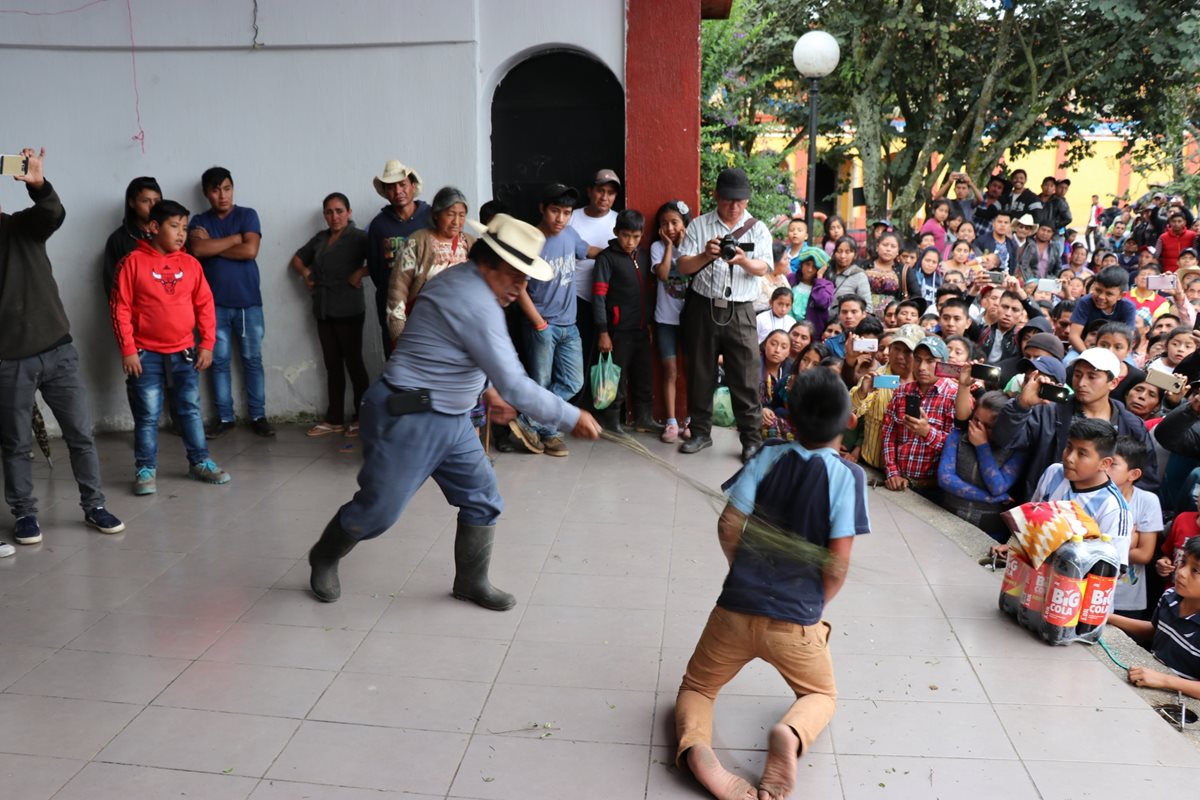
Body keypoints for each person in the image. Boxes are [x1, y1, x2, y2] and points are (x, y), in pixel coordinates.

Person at [306, 214, 602, 608]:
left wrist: (488, 390)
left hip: (451, 417)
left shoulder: (466, 280)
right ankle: (323, 556)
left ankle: (470, 582)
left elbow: (460, 354)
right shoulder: (474, 301)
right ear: (489, 263)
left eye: (525, 277)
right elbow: (516, 382)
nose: (522, 286)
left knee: (482, 497)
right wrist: (571, 416)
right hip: (409, 416)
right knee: (378, 511)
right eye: (516, 275)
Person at [674, 367, 868, 800]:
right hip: (796, 623)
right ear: (849, 423)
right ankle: (790, 734)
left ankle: (698, 751)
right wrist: (815, 603)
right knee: (821, 693)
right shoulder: (847, 478)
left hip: (734, 609)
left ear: (789, 420)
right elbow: (836, 565)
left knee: (698, 688)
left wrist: (739, 568)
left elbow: (728, 524)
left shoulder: (767, 455)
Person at [0, 148, 124, 546]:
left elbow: (52, 213)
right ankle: (24, 514)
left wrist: (37, 183)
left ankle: (94, 506)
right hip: (7, 362)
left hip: (57, 351)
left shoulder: (21, 227)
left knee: (79, 436)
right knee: (15, 444)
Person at [110, 199, 229, 493]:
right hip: (145, 355)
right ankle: (146, 469)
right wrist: (127, 349)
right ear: (153, 227)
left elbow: (205, 305)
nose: (181, 234)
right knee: (147, 414)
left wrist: (207, 344)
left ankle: (199, 462)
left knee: (189, 409)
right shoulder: (132, 262)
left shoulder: (190, 264)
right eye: (174, 226)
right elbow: (120, 307)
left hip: (185, 351)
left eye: (185, 228)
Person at [677, 168, 773, 461]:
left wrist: (744, 260)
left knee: (744, 376)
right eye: (728, 200)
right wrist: (706, 255)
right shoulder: (699, 225)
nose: (734, 206)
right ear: (716, 197)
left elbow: (765, 267)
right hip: (703, 306)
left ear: (747, 200)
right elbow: (682, 267)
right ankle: (701, 433)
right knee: (700, 373)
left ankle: (751, 440)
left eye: (740, 200)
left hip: (741, 310)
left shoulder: (758, 229)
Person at [993, 347, 1157, 502]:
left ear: (1113, 383)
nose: (1081, 383)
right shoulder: (1049, 412)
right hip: (1046, 506)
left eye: (1092, 376)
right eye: (1077, 374)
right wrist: (1021, 405)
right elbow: (1004, 439)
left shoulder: (1132, 426)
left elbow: (1145, 477)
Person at [510, 183, 600, 456]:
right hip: (543, 324)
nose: (560, 219)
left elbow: (588, 251)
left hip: (569, 324)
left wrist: (619, 248)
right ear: (542, 209)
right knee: (541, 383)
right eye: (555, 211)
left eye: (567, 212)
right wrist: (539, 322)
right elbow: (518, 288)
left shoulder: (570, 234)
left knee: (574, 381)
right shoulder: (530, 242)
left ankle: (529, 422)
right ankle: (549, 434)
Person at [187, 166, 274, 438]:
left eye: (227, 188)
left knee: (252, 360)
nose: (222, 195)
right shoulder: (199, 221)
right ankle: (224, 418)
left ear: (232, 188)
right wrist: (235, 238)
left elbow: (250, 250)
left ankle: (258, 416)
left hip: (249, 303)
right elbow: (198, 249)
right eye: (215, 190)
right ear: (206, 193)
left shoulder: (248, 215)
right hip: (213, 306)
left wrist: (216, 245)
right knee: (219, 361)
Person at [289, 192, 371, 437]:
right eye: (329, 212)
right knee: (332, 365)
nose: (334, 216)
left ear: (349, 212)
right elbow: (296, 259)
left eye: (339, 211)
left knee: (354, 364)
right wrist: (305, 273)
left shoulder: (359, 237)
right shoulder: (321, 238)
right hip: (324, 309)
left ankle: (362, 417)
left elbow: (381, 259)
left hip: (349, 308)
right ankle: (334, 418)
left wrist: (361, 272)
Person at [593, 208, 661, 435]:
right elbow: (599, 296)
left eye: (636, 237)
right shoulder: (606, 259)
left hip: (641, 328)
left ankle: (644, 417)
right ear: (616, 232)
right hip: (617, 330)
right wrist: (603, 331)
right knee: (617, 377)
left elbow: (647, 292)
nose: (630, 241)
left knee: (644, 374)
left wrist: (649, 322)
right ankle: (612, 420)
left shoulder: (642, 256)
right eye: (625, 235)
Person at [1107, 536, 1200, 700]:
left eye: (1196, 570)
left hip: (1178, 704)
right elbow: (1156, 630)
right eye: (1183, 562)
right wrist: (1107, 617)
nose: (1181, 572)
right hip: (1150, 685)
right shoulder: (1170, 597)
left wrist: (1163, 680)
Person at [386, 186, 474, 344]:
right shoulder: (417, 242)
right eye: (450, 214)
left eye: (462, 215)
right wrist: (398, 328)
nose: (457, 221)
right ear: (436, 215)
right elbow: (398, 288)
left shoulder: (470, 243)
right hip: (425, 327)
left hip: (463, 327)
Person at [938, 387, 1024, 541]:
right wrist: (989, 498)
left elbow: (997, 487)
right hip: (947, 522)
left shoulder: (1015, 449)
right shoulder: (957, 437)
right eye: (976, 420)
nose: (978, 429)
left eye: (988, 426)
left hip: (989, 534)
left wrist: (982, 446)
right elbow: (945, 479)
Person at [365, 160, 431, 354]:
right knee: (397, 357)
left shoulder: (430, 217)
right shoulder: (379, 225)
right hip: (392, 306)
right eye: (391, 187)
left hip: (427, 302)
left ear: (412, 186)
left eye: (402, 184)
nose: (398, 191)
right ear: (385, 192)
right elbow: (376, 268)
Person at [882, 336, 958, 493]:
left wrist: (927, 432)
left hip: (932, 489)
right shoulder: (902, 391)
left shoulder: (954, 396)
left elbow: (957, 448)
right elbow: (889, 434)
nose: (922, 367)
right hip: (898, 481)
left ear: (943, 364)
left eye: (930, 361)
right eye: (918, 359)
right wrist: (892, 473)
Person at [570, 169, 622, 387]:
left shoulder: (619, 221)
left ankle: (598, 409)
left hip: (607, 301)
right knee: (575, 358)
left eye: (610, 193)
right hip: (575, 298)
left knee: (603, 357)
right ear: (590, 191)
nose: (605, 197)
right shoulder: (572, 218)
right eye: (600, 190)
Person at [1109, 436, 1162, 619]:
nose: (1104, 467)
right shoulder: (1090, 495)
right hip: (1087, 586)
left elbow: (1144, 554)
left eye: (1112, 464)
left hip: (1126, 599)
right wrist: (1128, 542)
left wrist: (1101, 543)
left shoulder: (1147, 501)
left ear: (1133, 474)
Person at [652, 200, 692, 443]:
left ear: (685, 224)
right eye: (664, 223)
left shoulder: (692, 247)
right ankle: (671, 422)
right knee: (670, 371)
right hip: (665, 319)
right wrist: (669, 247)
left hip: (690, 321)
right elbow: (664, 274)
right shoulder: (658, 247)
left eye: (675, 222)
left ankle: (690, 420)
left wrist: (684, 244)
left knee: (690, 371)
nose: (670, 227)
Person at [103, 176, 161, 298]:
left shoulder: (170, 235)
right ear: (132, 203)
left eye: (157, 201)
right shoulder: (119, 239)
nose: (153, 206)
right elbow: (112, 285)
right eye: (145, 201)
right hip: (137, 313)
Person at [1067, 266, 1136, 355]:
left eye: (1109, 294)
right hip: (1084, 348)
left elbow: (1128, 339)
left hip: (1115, 351)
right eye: (1098, 290)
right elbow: (1074, 336)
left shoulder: (1128, 307)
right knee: (1068, 361)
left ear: (1121, 295)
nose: (1101, 297)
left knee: (1129, 367)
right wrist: (1088, 356)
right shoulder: (1085, 302)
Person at [828, 235, 872, 314]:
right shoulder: (827, 272)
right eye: (839, 251)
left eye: (848, 252)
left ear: (855, 255)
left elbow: (867, 308)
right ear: (834, 253)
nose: (843, 256)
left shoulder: (859, 275)